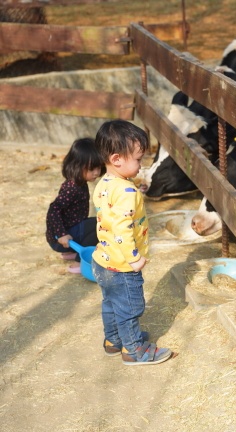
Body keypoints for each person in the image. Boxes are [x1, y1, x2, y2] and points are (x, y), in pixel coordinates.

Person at [92, 119, 173, 366]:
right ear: (117, 159)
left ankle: (114, 340)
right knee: (130, 308)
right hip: (122, 266)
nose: (141, 165)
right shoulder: (127, 192)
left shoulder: (104, 184)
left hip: (103, 260)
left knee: (111, 304)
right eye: (138, 160)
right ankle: (134, 349)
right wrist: (134, 258)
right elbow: (122, 228)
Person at [46, 138, 104, 274]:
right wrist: (61, 234)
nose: (96, 172)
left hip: (70, 231)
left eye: (99, 167)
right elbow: (53, 210)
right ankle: (80, 261)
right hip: (60, 239)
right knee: (100, 225)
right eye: (91, 169)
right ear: (77, 166)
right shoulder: (72, 188)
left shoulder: (79, 182)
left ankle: (73, 251)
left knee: (93, 223)